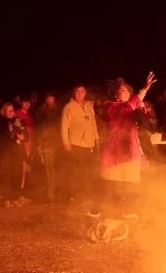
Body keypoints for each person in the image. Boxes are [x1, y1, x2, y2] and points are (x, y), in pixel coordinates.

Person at [88, 72, 157, 230]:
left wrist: (145, 114)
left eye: (128, 90)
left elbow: (145, 124)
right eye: (122, 90)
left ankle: (129, 223)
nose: (126, 92)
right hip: (114, 153)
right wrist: (144, 89)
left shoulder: (133, 108)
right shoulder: (110, 106)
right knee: (106, 189)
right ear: (116, 94)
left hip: (131, 153)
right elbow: (127, 108)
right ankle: (93, 217)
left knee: (130, 189)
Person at [61, 84, 100, 201]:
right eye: (77, 92)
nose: (79, 94)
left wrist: (96, 138)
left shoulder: (89, 106)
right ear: (74, 93)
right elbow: (64, 125)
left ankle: (83, 193)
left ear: (85, 93)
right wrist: (65, 142)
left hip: (89, 143)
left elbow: (93, 123)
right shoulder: (68, 107)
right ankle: (73, 194)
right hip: (76, 143)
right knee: (75, 170)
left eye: (82, 92)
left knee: (86, 170)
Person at [0, 103, 30, 207]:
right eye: (7, 110)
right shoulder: (0, 123)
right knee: (6, 176)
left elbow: (25, 136)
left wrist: (21, 136)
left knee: (17, 175)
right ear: (3, 112)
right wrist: (9, 131)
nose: (10, 112)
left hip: (17, 153)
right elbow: (0, 137)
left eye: (12, 110)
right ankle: (7, 199)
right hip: (6, 153)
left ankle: (14, 198)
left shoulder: (17, 121)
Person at [36, 93, 62, 201]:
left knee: (52, 170)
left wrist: (44, 135)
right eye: (47, 98)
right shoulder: (43, 110)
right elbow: (40, 126)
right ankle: (49, 194)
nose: (48, 100)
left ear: (54, 99)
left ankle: (52, 195)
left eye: (50, 98)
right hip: (45, 143)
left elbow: (53, 127)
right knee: (48, 170)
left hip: (53, 143)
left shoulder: (57, 111)